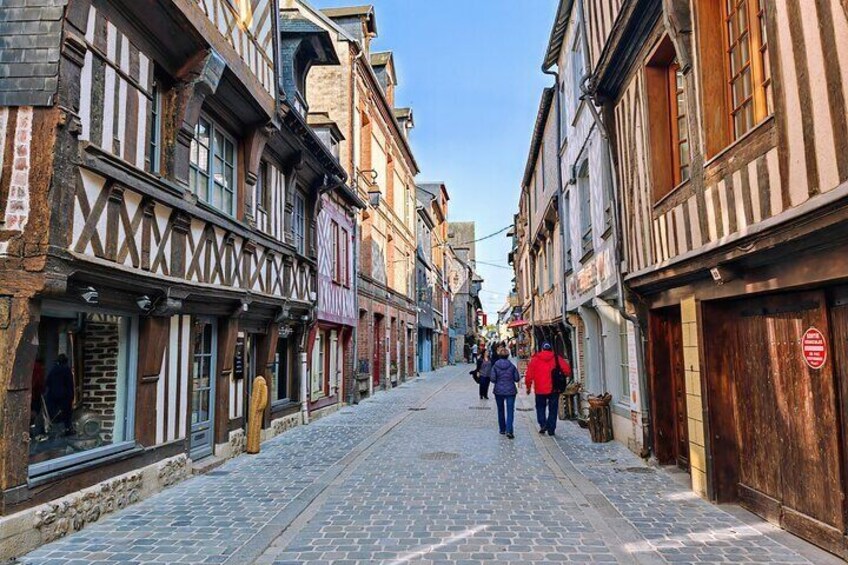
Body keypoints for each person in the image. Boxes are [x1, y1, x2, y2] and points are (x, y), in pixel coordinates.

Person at [525, 342, 572, 437]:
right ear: (551, 349)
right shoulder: (556, 358)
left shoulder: (535, 359)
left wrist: (528, 386)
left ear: (542, 349)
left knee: (540, 407)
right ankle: (551, 429)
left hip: (540, 389)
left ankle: (543, 424)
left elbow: (529, 375)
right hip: (554, 389)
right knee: (553, 409)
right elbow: (567, 370)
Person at [489, 345, 520, 438]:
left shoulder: (495, 366)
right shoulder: (512, 366)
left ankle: (502, 429)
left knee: (500, 410)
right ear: (508, 356)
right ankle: (509, 430)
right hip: (510, 391)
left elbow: (493, 379)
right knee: (510, 410)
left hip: (498, 391)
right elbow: (517, 379)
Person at [45, 354, 75, 434]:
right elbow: (70, 384)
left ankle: (54, 431)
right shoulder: (67, 370)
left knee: (54, 415)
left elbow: (47, 382)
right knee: (66, 415)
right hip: (65, 396)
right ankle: (67, 429)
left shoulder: (54, 370)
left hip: (53, 396)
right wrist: (71, 396)